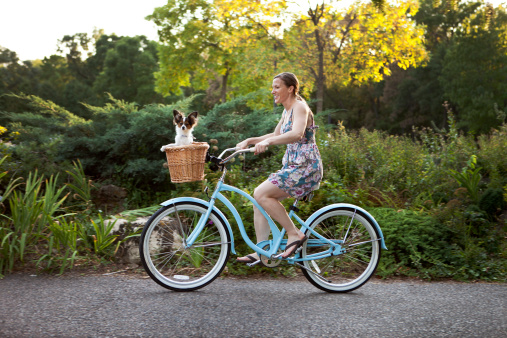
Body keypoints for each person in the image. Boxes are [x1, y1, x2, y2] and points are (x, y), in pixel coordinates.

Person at [236, 72, 323, 263]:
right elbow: (274, 134)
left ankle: (294, 234)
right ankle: (262, 251)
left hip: (306, 168)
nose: (273, 91)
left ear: (290, 88)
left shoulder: (300, 107)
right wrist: (250, 141)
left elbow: (297, 134)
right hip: (294, 166)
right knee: (258, 199)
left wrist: (269, 143)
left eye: (277, 87)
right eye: (273, 87)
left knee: (261, 192)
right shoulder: (286, 111)